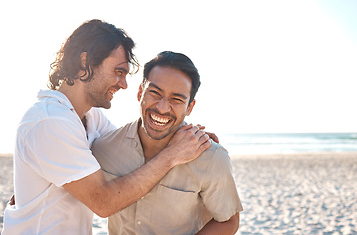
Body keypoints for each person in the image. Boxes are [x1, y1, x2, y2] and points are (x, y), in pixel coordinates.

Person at [1, 20, 212, 235]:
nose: (123, 84)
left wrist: (191, 138)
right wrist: (172, 154)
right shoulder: (50, 122)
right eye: (118, 72)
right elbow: (103, 202)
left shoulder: (91, 117)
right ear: (86, 62)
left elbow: (131, 151)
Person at [91, 51, 243, 234]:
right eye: (155, 93)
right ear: (140, 92)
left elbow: (228, 221)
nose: (162, 108)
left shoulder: (212, 158)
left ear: (190, 107)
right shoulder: (104, 148)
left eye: (176, 100)